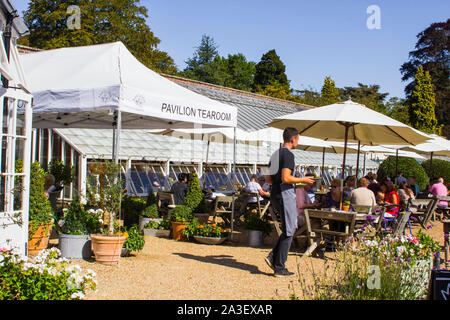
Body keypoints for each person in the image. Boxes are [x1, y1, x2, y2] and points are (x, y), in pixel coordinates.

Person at [264, 127, 315, 277]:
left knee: (288, 228)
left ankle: (273, 257)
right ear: (293, 139)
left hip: (274, 194)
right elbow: (286, 178)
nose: (298, 142)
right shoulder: (288, 155)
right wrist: (303, 180)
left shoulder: (275, 154)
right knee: (290, 229)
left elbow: (268, 179)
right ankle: (279, 267)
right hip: (284, 194)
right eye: (298, 139)